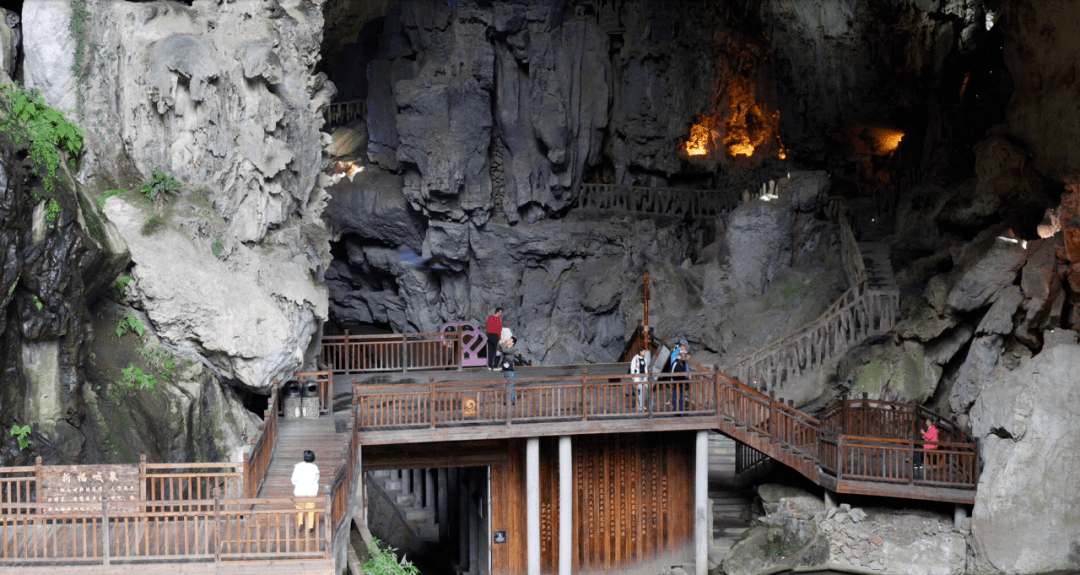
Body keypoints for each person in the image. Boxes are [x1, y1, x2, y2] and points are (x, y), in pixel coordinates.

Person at [291, 450, 320, 532]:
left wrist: (298, 484)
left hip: (300, 491)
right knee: (310, 509)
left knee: (299, 509)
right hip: (311, 491)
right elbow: (316, 480)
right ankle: (310, 526)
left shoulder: (298, 466)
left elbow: (294, 479)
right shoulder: (315, 468)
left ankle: (299, 524)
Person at [499, 336, 517, 405]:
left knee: (511, 386)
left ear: (512, 343)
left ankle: (511, 401)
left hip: (510, 370)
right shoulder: (506, 348)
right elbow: (500, 351)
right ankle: (507, 400)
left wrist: (503, 343)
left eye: (510, 340)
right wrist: (500, 343)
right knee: (506, 386)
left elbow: (504, 350)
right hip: (505, 369)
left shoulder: (513, 349)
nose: (508, 340)